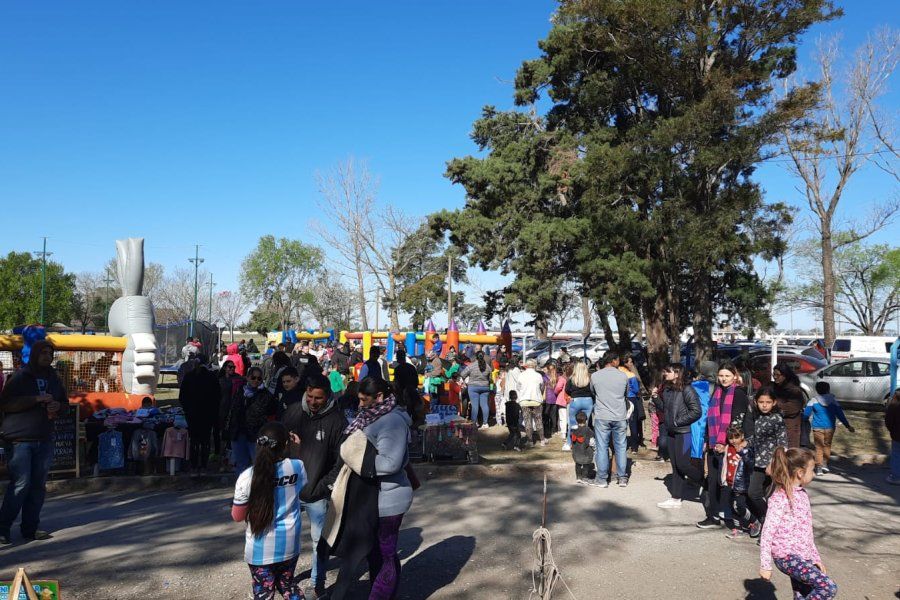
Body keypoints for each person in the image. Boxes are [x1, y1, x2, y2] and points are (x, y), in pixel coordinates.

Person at [326, 377, 414, 600]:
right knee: (377, 553)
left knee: (385, 554)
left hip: (389, 498)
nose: (361, 405)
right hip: (372, 497)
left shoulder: (392, 422)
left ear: (380, 397)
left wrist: (355, 460)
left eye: (365, 400)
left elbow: (390, 462)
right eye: (359, 399)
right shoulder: (371, 416)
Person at [282, 374, 346, 598]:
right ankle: (285, 579)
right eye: (309, 396)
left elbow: (341, 462)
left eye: (318, 398)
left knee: (319, 541)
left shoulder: (337, 421)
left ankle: (317, 584)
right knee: (287, 537)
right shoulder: (292, 412)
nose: (312, 401)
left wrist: (323, 487)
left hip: (317, 494)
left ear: (327, 396)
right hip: (288, 490)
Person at [0, 340, 68, 545]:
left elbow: (65, 404)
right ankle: (2, 529)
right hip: (20, 439)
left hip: (44, 438)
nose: (47, 356)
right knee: (21, 484)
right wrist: (36, 399)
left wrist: (58, 405)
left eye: (50, 353)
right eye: (44, 353)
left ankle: (30, 528)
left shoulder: (54, 378)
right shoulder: (20, 376)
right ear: (35, 354)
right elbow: (6, 404)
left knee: (38, 486)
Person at [231, 421, 307, 600]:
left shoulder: (247, 477)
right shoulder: (297, 467)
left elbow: (237, 516)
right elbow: (300, 484)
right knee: (288, 586)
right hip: (290, 543)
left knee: (264, 593)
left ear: (258, 444)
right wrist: (297, 450)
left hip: (259, 549)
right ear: (286, 445)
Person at [759, 447, 836, 599]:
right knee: (827, 587)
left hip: (803, 556)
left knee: (802, 594)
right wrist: (765, 565)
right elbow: (767, 532)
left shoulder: (802, 495)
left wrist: (815, 559)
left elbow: (807, 532)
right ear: (800, 473)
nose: (813, 474)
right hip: (786, 556)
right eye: (812, 470)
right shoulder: (780, 499)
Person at [698, 362, 752, 529]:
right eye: (721, 375)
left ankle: (731, 515)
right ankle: (713, 515)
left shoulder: (739, 394)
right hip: (714, 444)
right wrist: (708, 440)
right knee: (712, 480)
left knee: (729, 482)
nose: (723, 379)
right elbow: (710, 419)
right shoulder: (717, 392)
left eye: (727, 376)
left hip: (731, 445)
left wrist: (726, 443)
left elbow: (737, 422)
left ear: (735, 376)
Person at [656, 363, 703, 509]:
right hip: (671, 432)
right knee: (675, 466)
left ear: (677, 374)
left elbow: (696, 411)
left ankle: (706, 484)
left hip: (684, 433)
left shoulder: (687, 389)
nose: (665, 374)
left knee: (683, 464)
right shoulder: (668, 389)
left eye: (668, 371)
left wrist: (678, 422)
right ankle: (675, 498)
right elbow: (664, 408)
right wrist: (655, 398)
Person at [747, 387, 787, 531]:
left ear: (774, 402)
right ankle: (767, 519)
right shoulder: (756, 417)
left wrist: (773, 463)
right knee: (753, 493)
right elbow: (755, 439)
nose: (764, 405)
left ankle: (771, 525)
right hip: (757, 462)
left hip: (772, 465)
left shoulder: (777, 419)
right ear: (756, 402)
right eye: (761, 402)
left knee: (770, 495)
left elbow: (782, 444)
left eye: (768, 402)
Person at [588, 351, 630, 488]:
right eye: (618, 360)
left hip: (602, 415)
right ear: (613, 360)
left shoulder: (595, 376)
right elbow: (626, 394)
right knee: (621, 447)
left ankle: (601, 479)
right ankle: (622, 477)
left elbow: (593, 392)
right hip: (619, 415)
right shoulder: (623, 376)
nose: (619, 362)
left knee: (602, 447)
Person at [225, 367, 277, 474]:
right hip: (238, 433)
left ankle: (257, 488)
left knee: (258, 464)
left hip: (256, 435)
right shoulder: (240, 391)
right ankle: (242, 488)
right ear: (247, 378)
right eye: (253, 377)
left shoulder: (266, 395)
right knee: (241, 464)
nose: (256, 380)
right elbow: (232, 411)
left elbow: (271, 413)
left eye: (259, 378)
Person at [179, 354, 220, 472]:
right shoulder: (212, 377)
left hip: (192, 415)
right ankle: (203, 465)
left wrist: (187, 410)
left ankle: (193, 465)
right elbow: (217, 397)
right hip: (208, 415)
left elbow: (182, 397)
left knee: (194, 441)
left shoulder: (189, 377)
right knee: (205, 441)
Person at [803, 381, 854, 476]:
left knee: (818, 447)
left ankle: (818, 467)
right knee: (827, 445)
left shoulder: (813, 400)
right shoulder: (833, 400)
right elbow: (840, 414)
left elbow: (806, 415)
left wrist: (802, 420)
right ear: (828, 390)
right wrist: (847, 425)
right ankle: (825, 464)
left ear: (817, 390)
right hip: (830, 428)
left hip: (817, 427)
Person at [722, 426, 757, 539]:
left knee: (740, 506)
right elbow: (725, 464)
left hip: (741, 483)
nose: (733, 440)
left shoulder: (747, 448)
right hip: (729, 482)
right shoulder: (728, 448)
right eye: (730, 438)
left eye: (736, 437)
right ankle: (738, 529)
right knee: (731, 506)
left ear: (742, 436)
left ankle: (754, 521)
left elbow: (750, 464)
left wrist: (742, 451)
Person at [772, 362, 805, 449]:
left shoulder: (794, 390)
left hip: (789, 428)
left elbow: (793, 408)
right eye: (773, 374)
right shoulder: (772, 387)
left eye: (777, 375)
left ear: (785, 375)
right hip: (774, 427)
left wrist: (772, 406)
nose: (775, 377)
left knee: (789, 454)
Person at [564, 361, 593, 453]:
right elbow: (593, 390)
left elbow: (567, 390)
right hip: (588, 401)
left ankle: (569, 443)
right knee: (585, 423)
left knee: (572, 424)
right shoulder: (589, 378)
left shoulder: (572, 379)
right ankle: (585, 442)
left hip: (575, 401)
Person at [517, 359, 546, 447]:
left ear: (526, 366)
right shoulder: (538, 376)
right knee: (538, 421)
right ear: (534, 366)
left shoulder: (521, 375)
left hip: (524, 401)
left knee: (527, 421)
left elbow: (518, 387)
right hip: (536, 400)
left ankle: (530, 441)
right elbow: (542, 387)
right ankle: (542, 440)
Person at [461, 351, 492, 429]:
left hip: (473, 387)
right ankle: (485, 423)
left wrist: (465, 381)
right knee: (484, 405)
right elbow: (490, 378)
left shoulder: (471, 366)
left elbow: (462, 374)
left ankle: (474, 423)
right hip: (485, 387)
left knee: (475, 406)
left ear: (475, 357)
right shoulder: (488, 366)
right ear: (483, 356)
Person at [619, 354, 643, 454]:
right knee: (632, 423)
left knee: (621, 423)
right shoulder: (631, 375)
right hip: (631, 398)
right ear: (626, 363)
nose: (631, 364)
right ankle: (634, 447)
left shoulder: (617, 372)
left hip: (619, 398)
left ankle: (620, 445)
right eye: (630, 362)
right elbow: (637, 389)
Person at [570, 411, 596, 483]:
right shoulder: (588, 430)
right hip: (586, 452)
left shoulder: (573, 430)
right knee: (586, 465)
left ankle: (578, 477)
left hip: (576, 452)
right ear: (586, 420)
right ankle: (584, 477)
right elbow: (592, 442)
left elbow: (571, 438)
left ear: (576, 420)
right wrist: (594, 448)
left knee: (577, 464)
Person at [885, 389, 900, 485]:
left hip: (897, 436)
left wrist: (892, 431)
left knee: (896, 455)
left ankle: (896, 477)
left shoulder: (893, 407)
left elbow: (888, 422)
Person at [541, 363, 560, 438]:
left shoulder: (544, 377)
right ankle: (553, 429)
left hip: (547, 399)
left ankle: (546, 429)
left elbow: (542, 388)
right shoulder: (557, 377)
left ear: (548, 370)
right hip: (555, 398)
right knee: (554, 415)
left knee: (546, 415)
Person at [555, 364, 570, 440]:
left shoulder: (562, 378)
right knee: (569, 417)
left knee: (563, 417)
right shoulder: (572, 378)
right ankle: (568, 433)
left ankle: (563, 433)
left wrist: (556, 392)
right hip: (570, 400)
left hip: (563, 400)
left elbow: (558, 388)